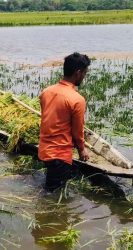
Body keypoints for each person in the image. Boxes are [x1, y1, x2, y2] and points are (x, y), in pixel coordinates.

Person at [38, 52, 91, 191]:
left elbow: (48, 118)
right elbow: (77, 131)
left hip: (44, 150)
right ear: (78, 73)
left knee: (51, 185)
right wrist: (82, 150)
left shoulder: (46, 92)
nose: (84, 77)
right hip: (59, 154)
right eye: (85, 73)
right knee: (53, 196)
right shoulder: (77, 99)